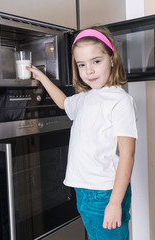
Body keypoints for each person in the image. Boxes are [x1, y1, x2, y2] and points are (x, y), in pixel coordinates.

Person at [27, 26, 138, 240]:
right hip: (84, 192)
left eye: (96, 61)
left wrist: (115, 203)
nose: (89, 70)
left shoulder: (120, 101)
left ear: (112, 59)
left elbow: (127, 155)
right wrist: (41, 78)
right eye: (81, 64)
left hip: (105, 194)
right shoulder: (85, 98)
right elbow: (63, 102)